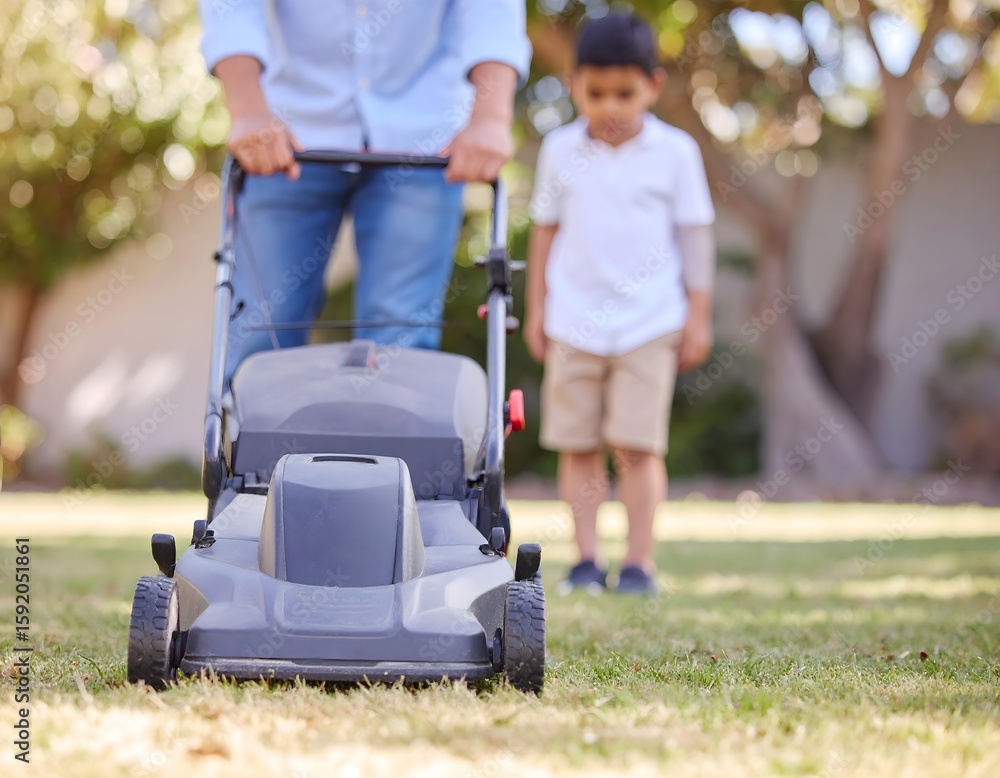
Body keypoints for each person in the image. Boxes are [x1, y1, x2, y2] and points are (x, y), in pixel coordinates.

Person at [197, 2, 531, 384]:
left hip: (422, 139)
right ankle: (248, 441)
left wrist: (490, 117)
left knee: (398, 352)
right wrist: (248, 109)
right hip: (286, 136)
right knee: (258, 335)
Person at [524, 12, 716, 595]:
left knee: (636, 446)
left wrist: (698, 314)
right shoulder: (559, 150)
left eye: (625, 94)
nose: (610, 107)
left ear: (653, 86)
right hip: (573, 321)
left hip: (649, 322)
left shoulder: (676, 152)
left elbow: (695, 235)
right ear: (574, 83)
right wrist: (537, 310)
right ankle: (586, 561)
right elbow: (544, 233)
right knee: (578, 445)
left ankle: (638, 564)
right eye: (595, 92)